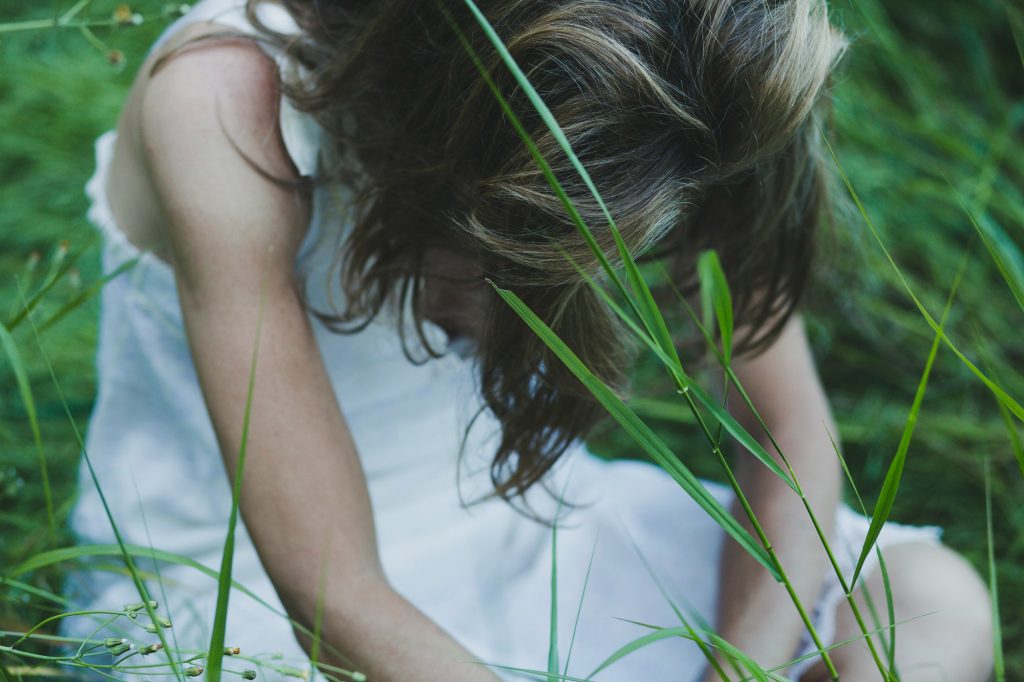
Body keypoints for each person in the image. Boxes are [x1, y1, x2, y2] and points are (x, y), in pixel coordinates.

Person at [64, 0, 994, 680]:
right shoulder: (226, 98)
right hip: (249, 598)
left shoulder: (693, 67)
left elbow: (787, 436)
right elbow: (328, 591)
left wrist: (738, 672)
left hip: (522, 531)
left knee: (934, 610)